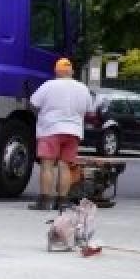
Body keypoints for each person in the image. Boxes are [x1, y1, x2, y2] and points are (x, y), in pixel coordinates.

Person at [28, 57, 93, 211]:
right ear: (72, 71)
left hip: (50, 129)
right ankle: (63, 201)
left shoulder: (49, 86)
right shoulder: (83, 88)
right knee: (65, 166)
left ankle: (44, 201)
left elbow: (33, 104)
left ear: (56, 71)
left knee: (47, 166)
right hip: (73, 131)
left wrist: (43, 115)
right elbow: (89, 109)